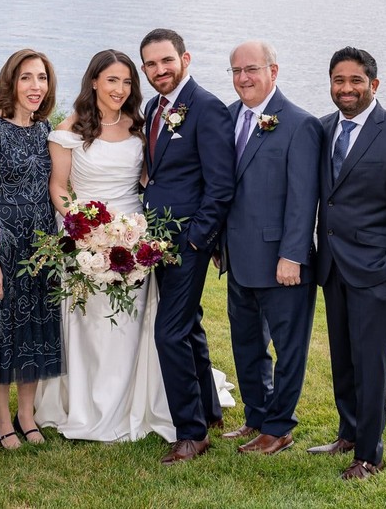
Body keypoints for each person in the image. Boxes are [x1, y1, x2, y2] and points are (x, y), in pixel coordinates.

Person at [34, 49, 176, 443]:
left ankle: (132, 399)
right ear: (94, 81)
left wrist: (137, 233)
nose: (120, 89)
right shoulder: (69, 130)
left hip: (134, 238)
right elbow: (59, 189)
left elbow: (147, 180)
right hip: (86, 239)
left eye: (127, 81)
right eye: (112, 80)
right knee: (90, 325)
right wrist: (83, 231)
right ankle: (85, 405)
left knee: (131, 325)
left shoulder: (140, 126)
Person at [308, 46, 386, 480]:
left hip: (375, 273)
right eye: (339, 80)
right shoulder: (322, 130)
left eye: (356, 81)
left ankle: (369, 454)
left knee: (371, 364)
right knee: (342, 358)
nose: (346, 88)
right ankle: (347, 432)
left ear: (373, 85)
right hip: (332, 268)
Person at [218, 41, 321, 455]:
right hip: (238, 258)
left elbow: (303, 196)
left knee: (288, 347)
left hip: (282, 261)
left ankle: (279, 428)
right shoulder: (226, 119)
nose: (244, 77)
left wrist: (292, 254)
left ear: (273, 72)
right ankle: (256, 416)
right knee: (247, 344)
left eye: (252, 69)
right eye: (236, 70)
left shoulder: (299, 124)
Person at [139, 28, 235, 465]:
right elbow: (157, 174)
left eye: (166, 61)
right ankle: (210, 410)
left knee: (169, 331)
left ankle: (191, 434)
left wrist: (198, 240)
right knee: (189, 323)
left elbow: (220, 185)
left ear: (185, 58)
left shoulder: (208, 108)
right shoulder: (151, 107)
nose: (159, 70)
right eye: (151, 64)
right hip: (154, 240)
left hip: (187, 242)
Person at [0, 48, 63, 450]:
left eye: (41, 78)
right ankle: (2, 419)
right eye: (27, 78)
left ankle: (27, 415)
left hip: (40, 246)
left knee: (35, 331)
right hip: (3, 245)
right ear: (11, 81)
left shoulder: (46, 130)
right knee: (2, 331)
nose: (35, 86)